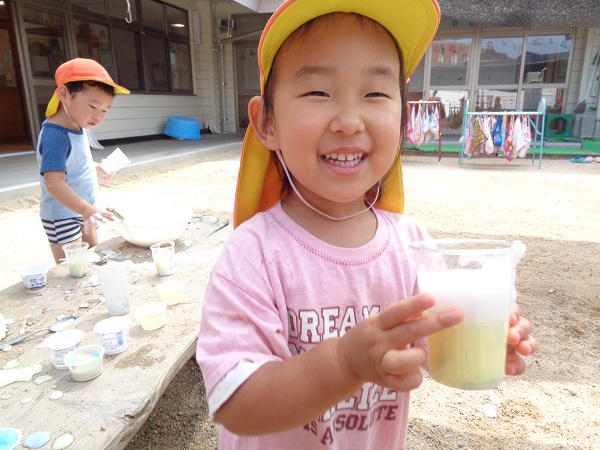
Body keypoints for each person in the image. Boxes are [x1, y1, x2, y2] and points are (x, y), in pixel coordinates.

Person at [196, 1, 538, 448]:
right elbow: (236, 405)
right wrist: (344, 363)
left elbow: (430, 345)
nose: (349, 122)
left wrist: (483, 336)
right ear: (267, 122)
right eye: (317, 92)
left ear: (403, 116)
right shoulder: (254, 253)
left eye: (375, 93)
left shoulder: (413, 246)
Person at [37, 58, 130, 264]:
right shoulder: (55, 136)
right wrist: (86, 210)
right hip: (62, 214)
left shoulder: (78, 126)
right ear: (64, 94)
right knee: (73, 266)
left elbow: (73, 163)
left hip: (84, 208)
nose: (98, 116)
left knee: (93, 255)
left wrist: (96, 168)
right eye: (93, 106)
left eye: (105, 110)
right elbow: (53, 182)